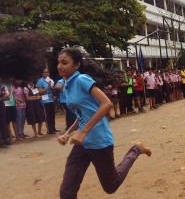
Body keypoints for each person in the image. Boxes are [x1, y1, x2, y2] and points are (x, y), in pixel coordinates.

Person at [56, 48, 152, 199]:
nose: (60, 66)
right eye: (58, 62)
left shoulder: (82, 80)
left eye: (64, 62)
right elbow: (82, 113)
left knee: (111, 186)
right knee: (66, 192)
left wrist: (84, 131)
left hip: (99, 141)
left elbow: (106, 104)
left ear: (76, 65)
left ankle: (137, 148)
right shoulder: (66, 85)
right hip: (82, 145)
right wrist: (68, 133)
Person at [37, 69, 59, 134]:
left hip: (51, 99)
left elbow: (52, 90)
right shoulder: (40, 81)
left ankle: (53, 128)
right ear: (42, 74)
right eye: (45, 72)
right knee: (47, 115)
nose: (46, 73)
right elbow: (40, 92)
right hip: (44, 100)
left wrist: (55, 88)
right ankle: (49, 130)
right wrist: (48, 87)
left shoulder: (50, 80)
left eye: (47, 72)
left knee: (52, 114)